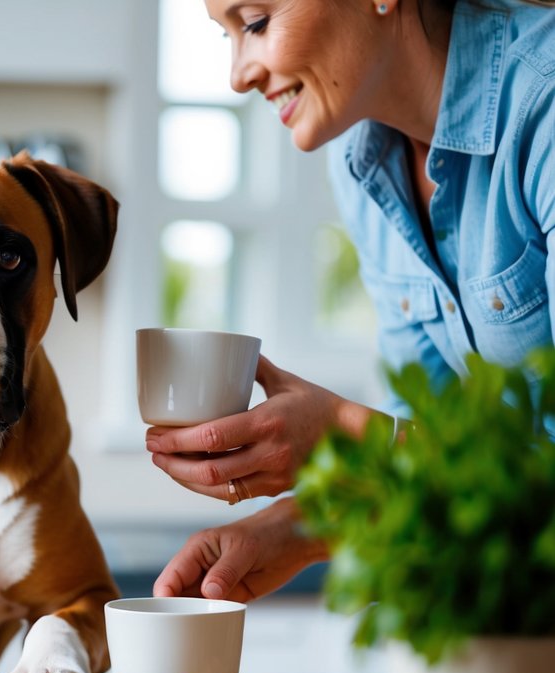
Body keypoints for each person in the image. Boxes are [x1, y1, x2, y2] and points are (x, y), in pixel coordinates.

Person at [149, 0, 555, 602]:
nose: (238, 75)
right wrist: (294, 528)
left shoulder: (543, 108)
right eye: (226, 36)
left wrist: (343, 434)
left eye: (256, 23)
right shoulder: (364, 162)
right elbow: (436, 450)